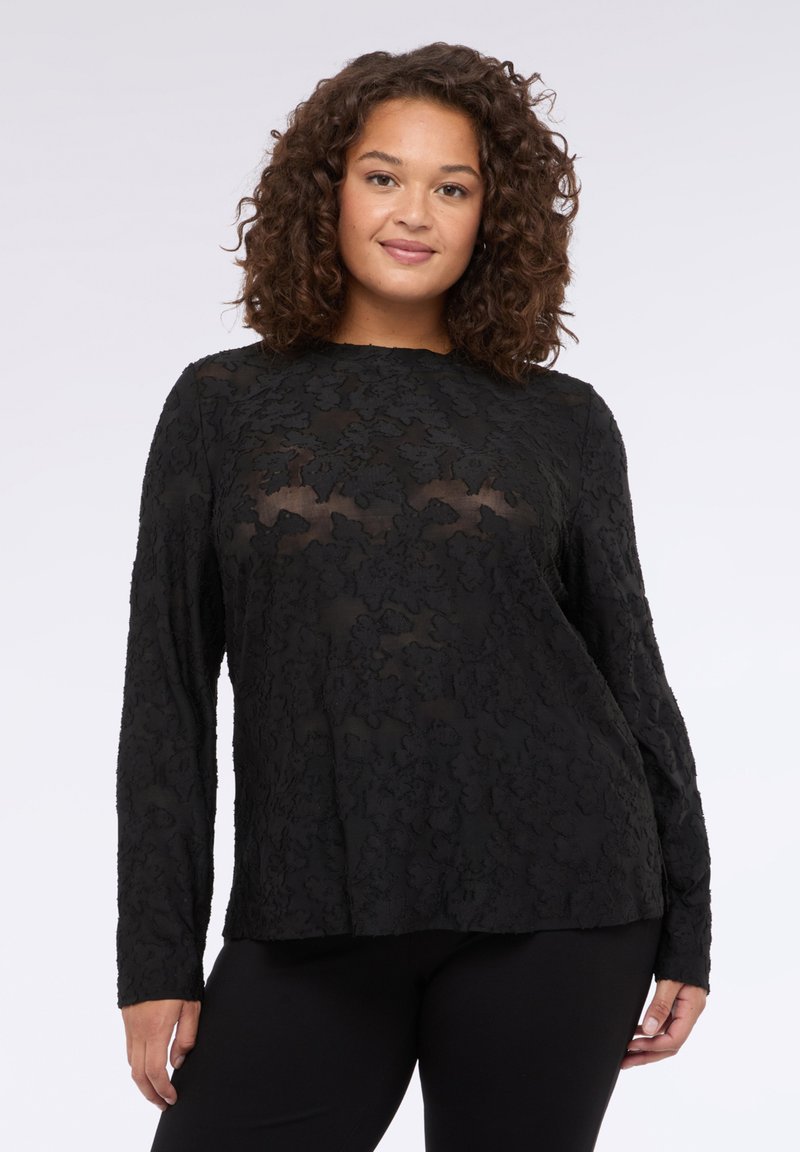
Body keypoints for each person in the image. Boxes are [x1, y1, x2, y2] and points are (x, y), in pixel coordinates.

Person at [116, 41, 712, 1152]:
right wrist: (155, 958)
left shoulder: (562, 420)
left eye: (453, 187)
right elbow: (167, 691)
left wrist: (689, 923)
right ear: (326, 191)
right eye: (382, 176)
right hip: (312, 909)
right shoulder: (221, 406)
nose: (413, 214)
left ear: (494, 217)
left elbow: (632, 675)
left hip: (564, 901)